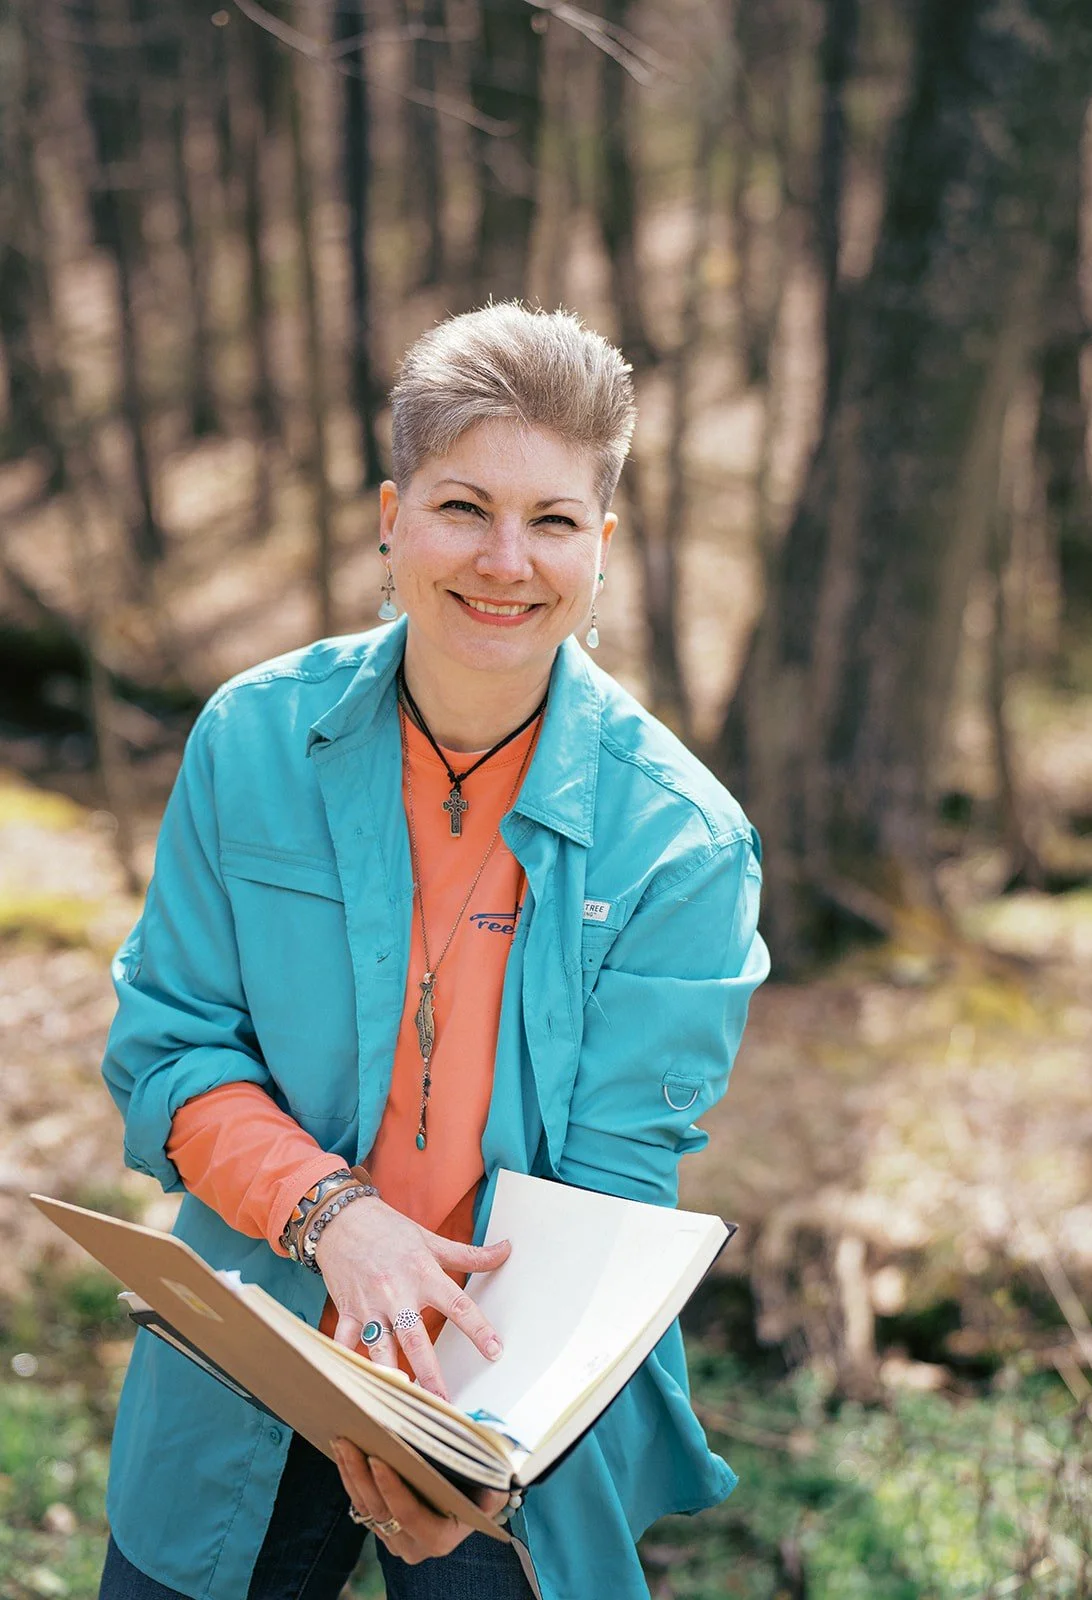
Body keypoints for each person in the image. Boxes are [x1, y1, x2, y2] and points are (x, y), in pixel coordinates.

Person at [96, 302, 769, 1600]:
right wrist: (333, 1217)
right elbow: (168, 1050)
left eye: (554, 521)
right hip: (252, 1335)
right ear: (391, 517)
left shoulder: (681, 841)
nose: (505, 561)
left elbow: (615, 1188)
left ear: (603, 551)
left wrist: (473, 1451)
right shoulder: (250, 741)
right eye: (464, 507)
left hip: (507, 1393)